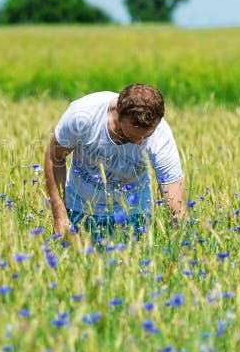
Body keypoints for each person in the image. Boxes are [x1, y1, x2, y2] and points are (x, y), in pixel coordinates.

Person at [44, 83, 186, 244]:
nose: (140, 142)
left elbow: (176, 201)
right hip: (79, 210)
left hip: (134, 214)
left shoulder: (161, 137)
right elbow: (54, 157)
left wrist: (183, 243)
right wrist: (60, 215)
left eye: (146, 136)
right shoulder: (83, 116)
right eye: (133, 136)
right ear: (118, 113)